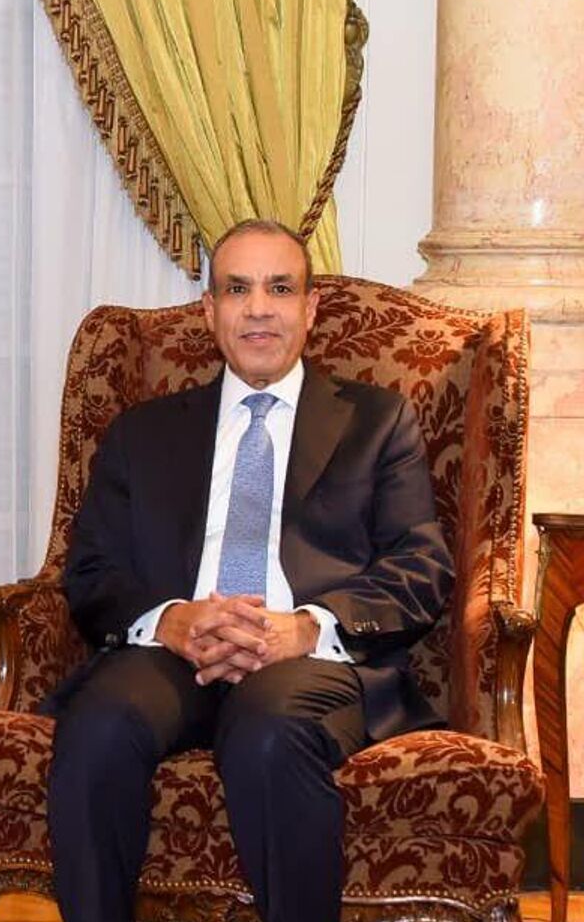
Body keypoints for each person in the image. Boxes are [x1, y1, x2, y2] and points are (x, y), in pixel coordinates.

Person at [45, 219, 452, 922]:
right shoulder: (143, 432)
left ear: (311, 308)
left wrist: (306, 628)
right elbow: (91, 569)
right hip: (175, 653)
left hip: (308, 660)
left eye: (280, 288)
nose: (259, 308)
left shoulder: (377, 423)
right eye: (237, 289)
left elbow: (420, 565)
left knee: (268, 733)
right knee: (100, 726)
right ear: (210, 311)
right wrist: (171, 620)